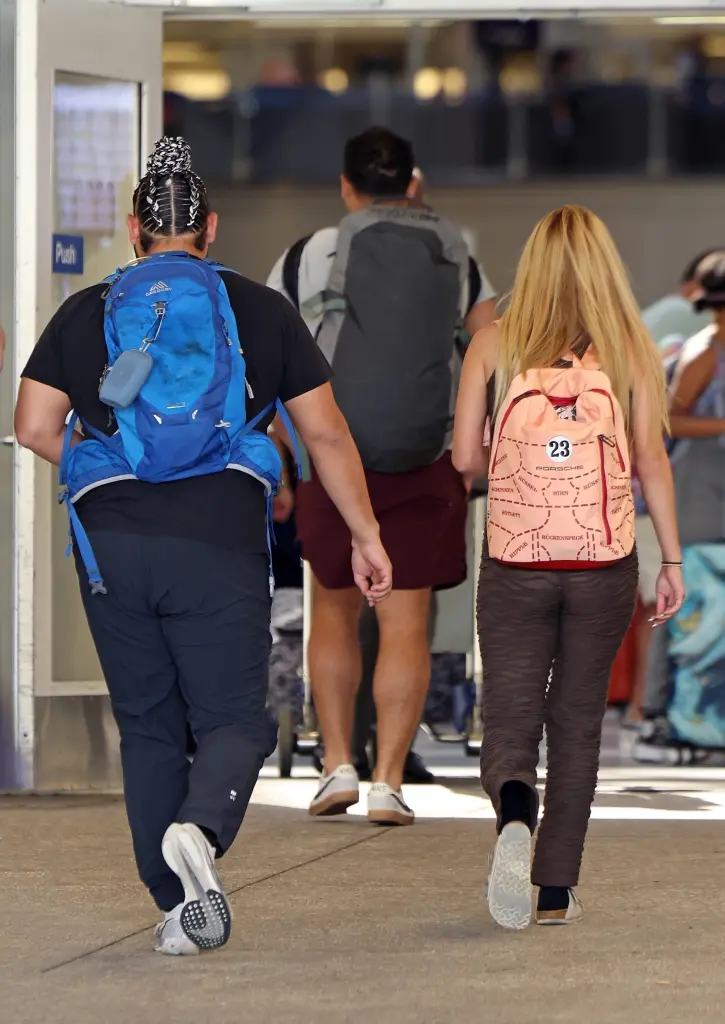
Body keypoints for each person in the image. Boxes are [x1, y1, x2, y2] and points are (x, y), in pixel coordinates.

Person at [15, 137, 391, 957]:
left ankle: (172, 902)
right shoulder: (258, 309)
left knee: (147, 724)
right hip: (218, 532)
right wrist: (364, 533)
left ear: (133, 230)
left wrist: (105, 457)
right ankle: (201, 826)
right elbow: (324, 435)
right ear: (210, 228)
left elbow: (32, 428)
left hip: (112, 540)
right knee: (235, 721)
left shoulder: (85, 311)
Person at [453, 205, 684, 930]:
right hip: (603, 561)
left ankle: (513, 813)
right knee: (578, 723)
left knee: (511, 713)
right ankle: (554, 891)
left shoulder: (491, 344)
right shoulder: (629, 348)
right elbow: (649, 461)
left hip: (514, 558)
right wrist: (669, 558)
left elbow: (463, 460)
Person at [266, 127, 488, 826]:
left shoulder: (305, 255)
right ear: (412, 184)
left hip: (335, 460)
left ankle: (336, 765)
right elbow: (488, 347)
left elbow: (274, 361)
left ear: (345, 186)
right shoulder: (456, 253)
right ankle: (388, 779)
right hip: (423, 457)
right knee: (406, 622)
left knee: (332, 610)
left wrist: (286, 451)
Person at [628, 252, 717, 723]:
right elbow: (668, 422)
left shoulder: (684, 337)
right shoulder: (701, 347)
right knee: (670, 601)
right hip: (682, 493)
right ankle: (651, 708)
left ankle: (653, 709)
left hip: (678, 491)